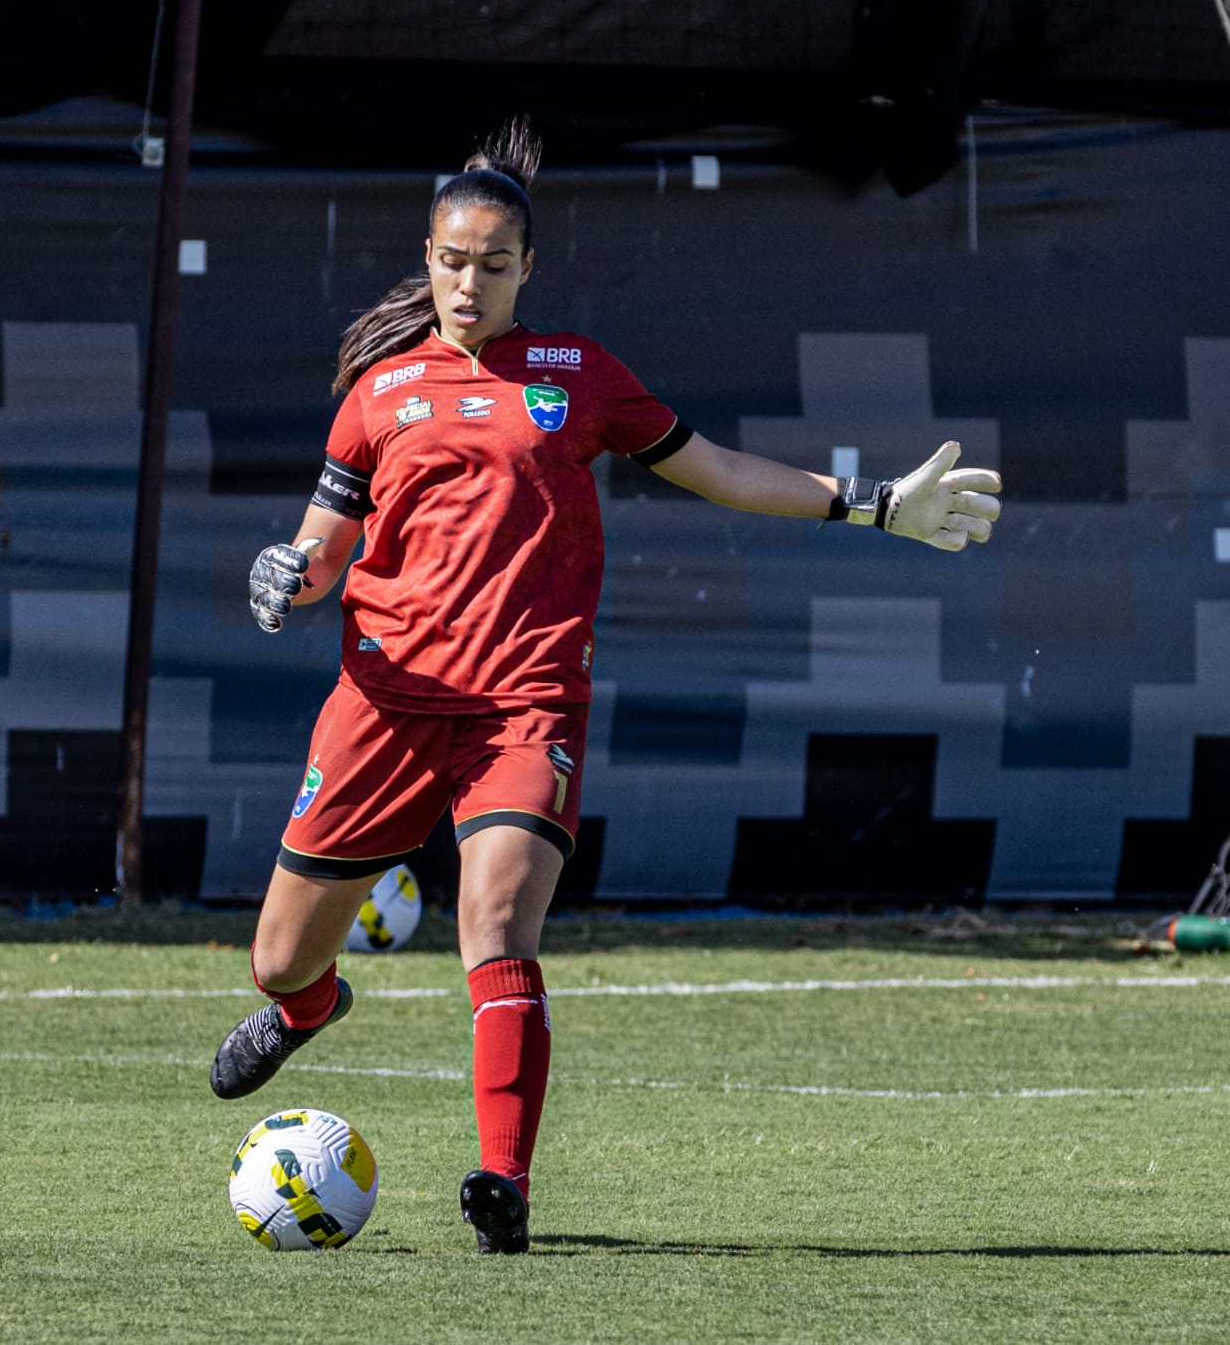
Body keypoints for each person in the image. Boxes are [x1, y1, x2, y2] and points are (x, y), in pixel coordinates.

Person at [210, 118, 1002, 1254]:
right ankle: (307, 1009)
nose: (468, 281)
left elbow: (718, 468)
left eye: (492, 262)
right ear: (425, 259)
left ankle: (503, 1184)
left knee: (494, 919)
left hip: (521, 709)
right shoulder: (378, 394)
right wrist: (284, 577)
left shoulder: (580, 377)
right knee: (280, 954)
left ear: (527, 267)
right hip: (382, 707)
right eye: (450, 259)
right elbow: (323, 552)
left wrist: (870, 501)